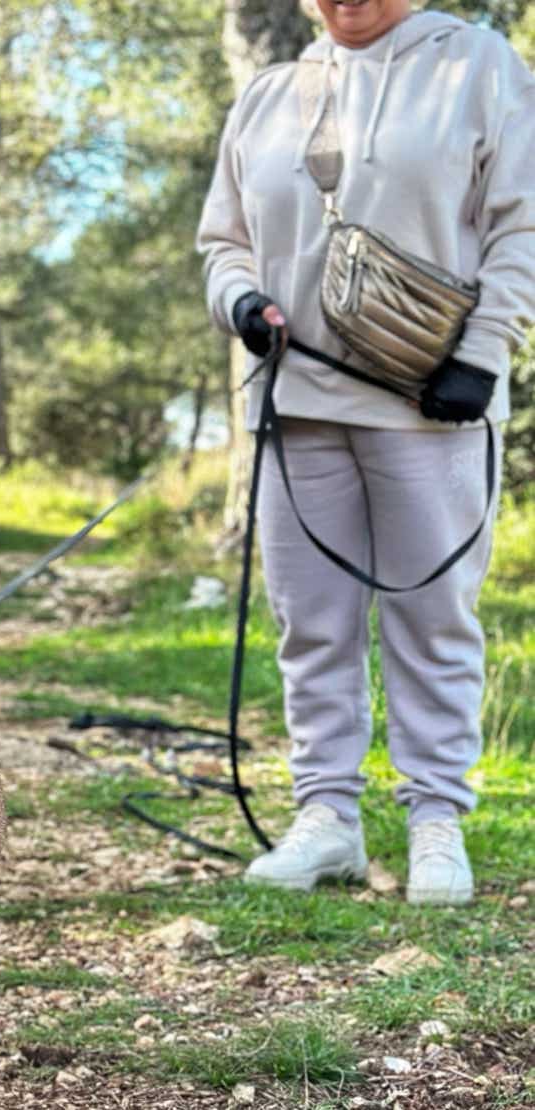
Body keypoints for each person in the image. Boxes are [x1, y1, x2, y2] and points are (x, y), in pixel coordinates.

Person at [197, 0, 534, 905]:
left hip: (432, 403)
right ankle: (328, 818)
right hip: (297, 404)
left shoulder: (479, 66)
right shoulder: (270, 93)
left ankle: (436, 822)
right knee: (312, 626)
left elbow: (522, 225)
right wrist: (238, 303)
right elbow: (223, 242)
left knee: (433, 618)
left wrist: (483, 352)